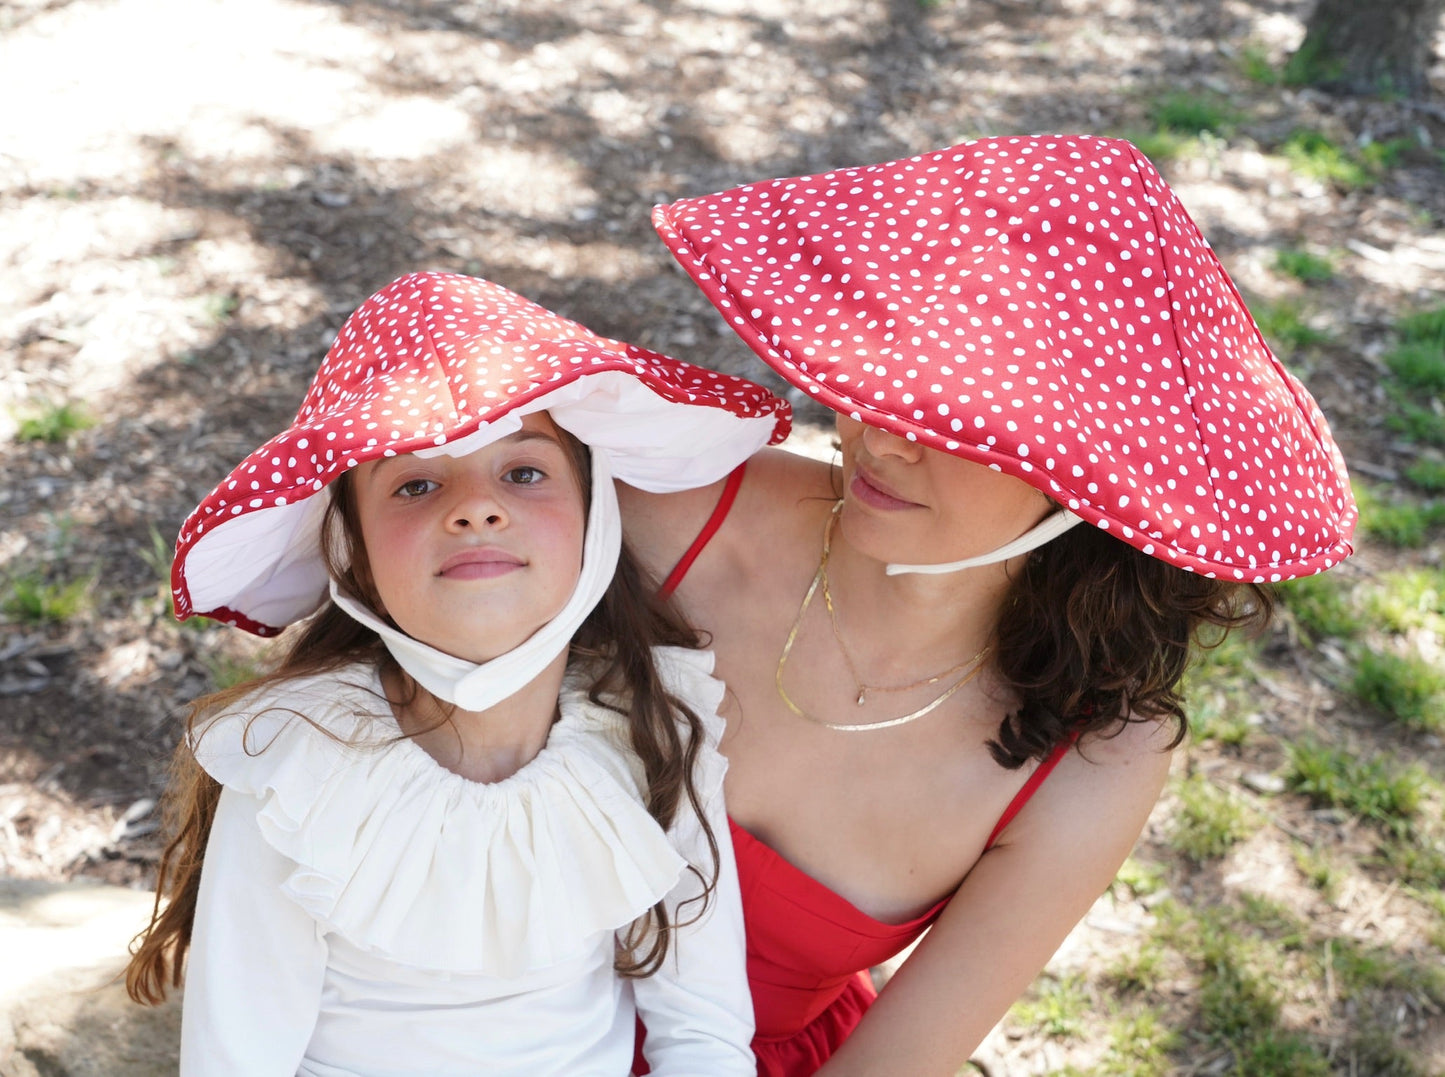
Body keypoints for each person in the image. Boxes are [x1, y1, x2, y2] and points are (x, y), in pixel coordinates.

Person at [622, 134, 1358, 1076]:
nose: (881, 433)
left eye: (959, 417)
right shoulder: (687, 512)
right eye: (882, 370)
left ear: (1090, 479)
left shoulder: (1095, 755)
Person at [124, 271, 791, 1076]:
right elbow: (238, 1058)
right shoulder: (296, 760)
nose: (475, 508)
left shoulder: (651, 722)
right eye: (415, 483)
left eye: (523, 472)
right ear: (351, 552)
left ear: (595, 514)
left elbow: (702, 1030)